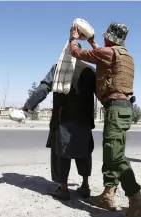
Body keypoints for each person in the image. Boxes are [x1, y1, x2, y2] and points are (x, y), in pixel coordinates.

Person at [68, 22, 141, 217]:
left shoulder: (109, 52)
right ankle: (108, 194)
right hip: (121, 109)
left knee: (115, 155)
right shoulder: (124, 54)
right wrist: (94, 41)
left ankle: (136, 200)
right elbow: (103, 54)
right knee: (111, 151)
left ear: (110, 37)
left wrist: (74, 38)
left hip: (116, 108)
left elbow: (77, 53)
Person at [22, 57, 96, 201]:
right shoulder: (90, 70)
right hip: (84, 120)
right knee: (84, 153)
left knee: (61, 153)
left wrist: (28, 106)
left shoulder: (59, 68)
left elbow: (43, 88)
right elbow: (102, 92)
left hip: (63, 120)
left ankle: (63, 189)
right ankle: (85, 187)